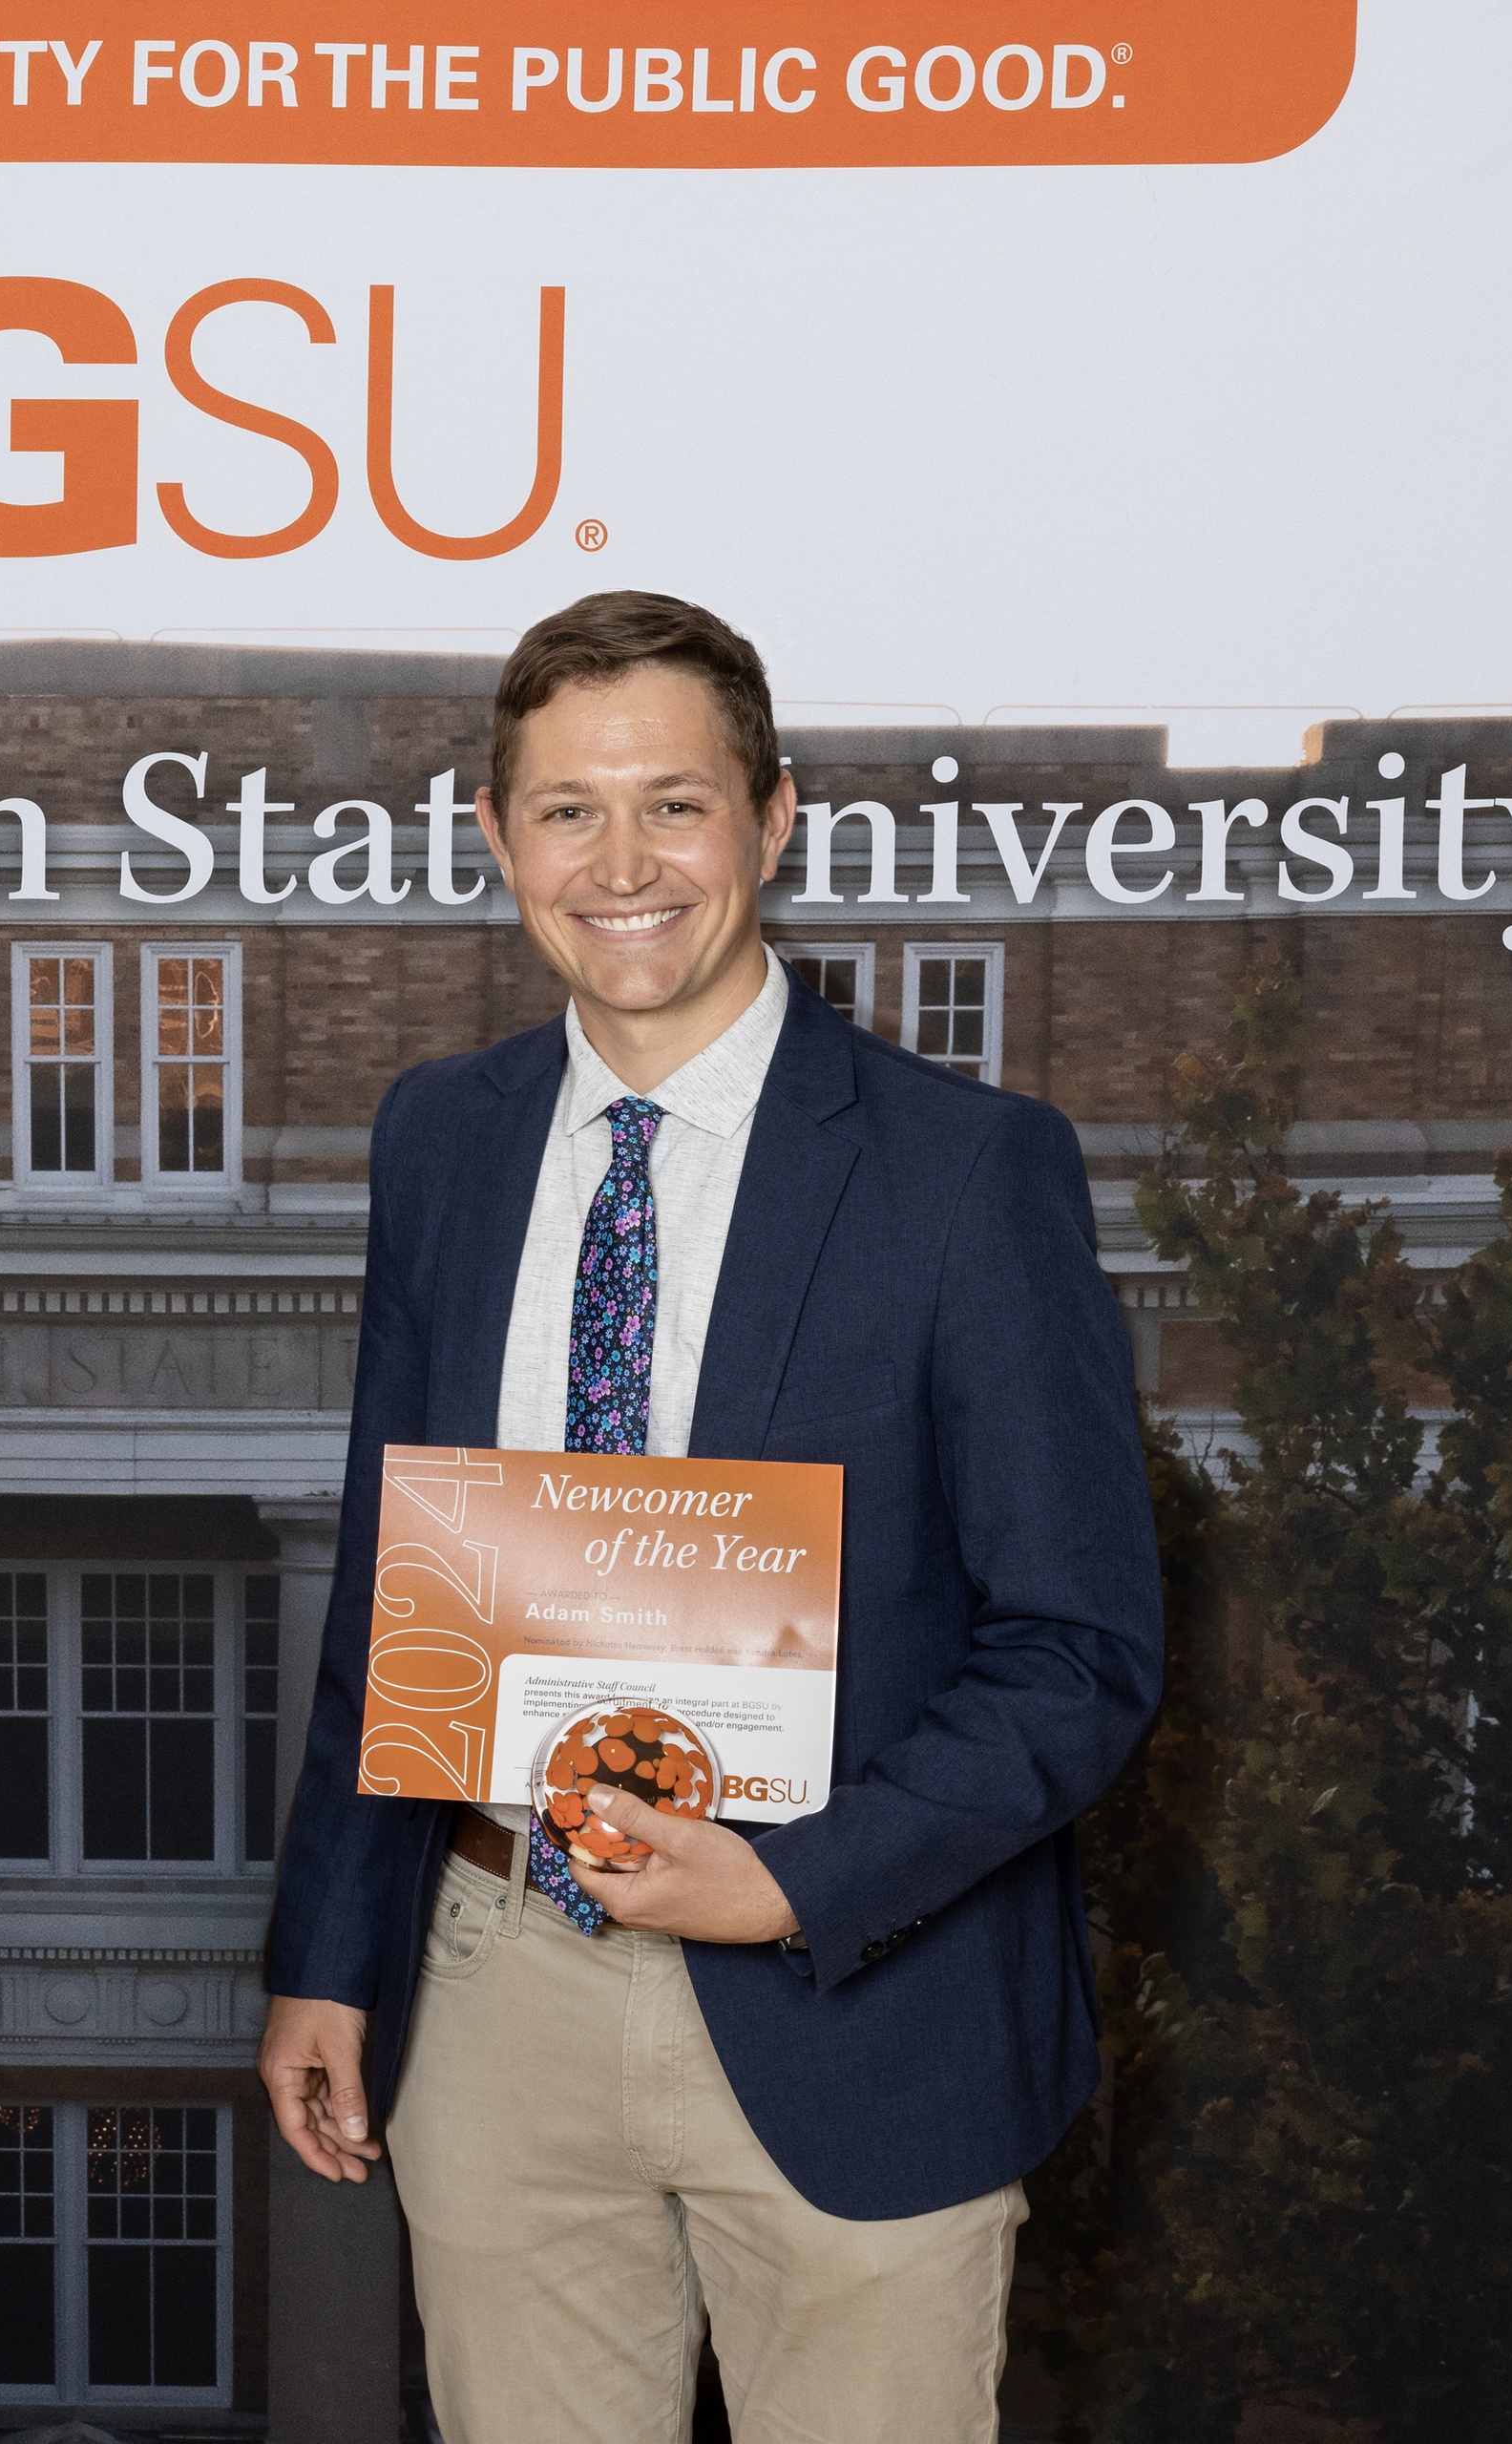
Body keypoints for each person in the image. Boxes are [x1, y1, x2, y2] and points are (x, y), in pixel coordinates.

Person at [258, 592, 1164, 2443]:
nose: (620, 861)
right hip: (494, 1978)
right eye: (566, 808)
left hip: (856, 1993)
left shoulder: (966, 1169)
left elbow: (1076, 1651)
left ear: (770, 818)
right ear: (497, 837)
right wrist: (325, 1952)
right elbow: (393, 1574)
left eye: (670, 802)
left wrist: (787, 1877)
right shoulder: (442, 1133)